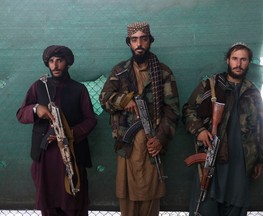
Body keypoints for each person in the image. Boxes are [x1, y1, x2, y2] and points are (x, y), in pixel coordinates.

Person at [99, 22, 180, 216]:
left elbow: (172, 110)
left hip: (151, 144)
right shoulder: (120, 71)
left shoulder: (163, 72)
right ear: (129, 43)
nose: (139, 44)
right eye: (134, 40)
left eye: (143, 39)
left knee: (150, 197)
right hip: (127, 145)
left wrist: (160, 139)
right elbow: (104, 99)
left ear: (150, 41)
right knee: (127, 198)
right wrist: (123, 100)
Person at [182, 42, 263, 216]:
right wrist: (200, 131)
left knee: (236, 208)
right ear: (228, 60)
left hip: (241, 164)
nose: (239, 63)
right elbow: (188, 109)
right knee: (206, 206)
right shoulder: (211, 85)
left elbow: (261, 127)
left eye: (243, 59)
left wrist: (260, 159)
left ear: (249, 62)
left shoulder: (252, 92)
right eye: (235, 59)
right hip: (214, 160)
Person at [16, 45, 97, 216]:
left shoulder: (79, 89)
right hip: (44, 158)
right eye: (51, 61)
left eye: (60, 61)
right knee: (49, 206)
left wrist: (67, 134)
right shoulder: (38, 86)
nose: (55, 65)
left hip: (71, 156)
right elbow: (21, 114)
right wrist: (36, 108)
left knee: (73, 203)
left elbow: (91, 120)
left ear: (67, 63)